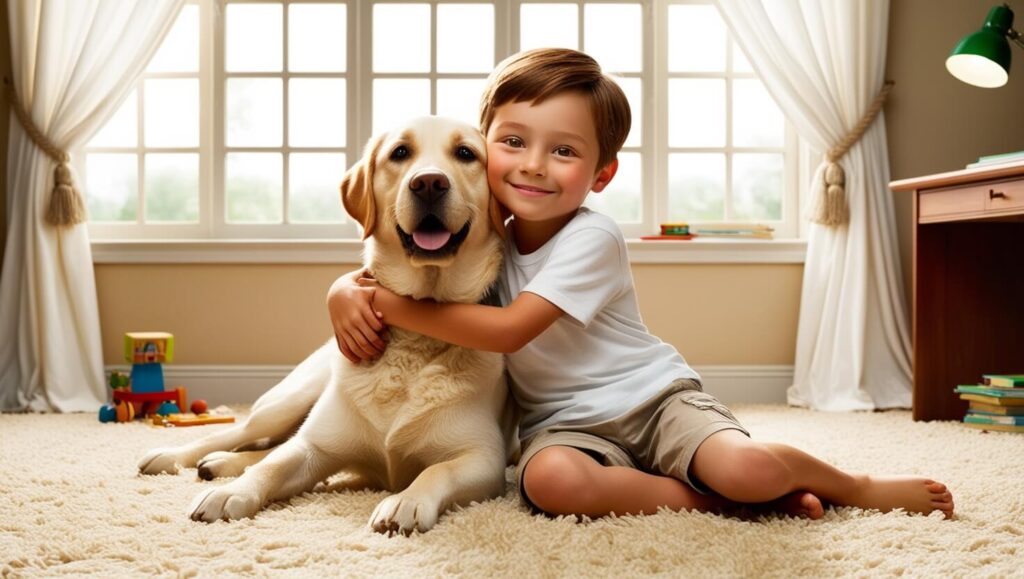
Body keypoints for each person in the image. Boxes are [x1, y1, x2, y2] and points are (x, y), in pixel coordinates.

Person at [327, 48, 954, 520]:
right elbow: (410, 273)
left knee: (746, 465)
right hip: (561, 423)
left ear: (601, 174)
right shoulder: (481, 245)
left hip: (654, 402)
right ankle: (722, 507)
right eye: (514, 143)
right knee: (549, 487)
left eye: (564, 152)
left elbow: (508, 328)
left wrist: (382, 304)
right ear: (484, 149)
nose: (534, 165)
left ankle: (856, 486)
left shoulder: (591, 238)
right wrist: (342, 291)